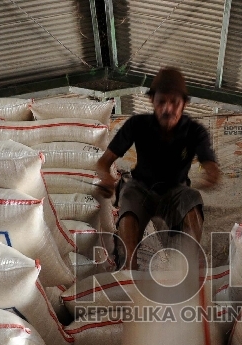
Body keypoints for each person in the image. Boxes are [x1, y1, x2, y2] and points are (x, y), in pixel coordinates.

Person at [95, 67, 221, 270]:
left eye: (174, 103)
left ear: (184, 104)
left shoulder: (195, 131)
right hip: (141, 188)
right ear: (152, 100)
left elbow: (210, 164)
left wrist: (212, 175)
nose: (167, 109)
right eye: (161, 102)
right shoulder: (137, 124)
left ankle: (189, 270)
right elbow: (103, 162)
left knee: (192, 199)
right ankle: (130, 271)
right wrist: (107, 179)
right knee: (127, 203)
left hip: (176, 190)